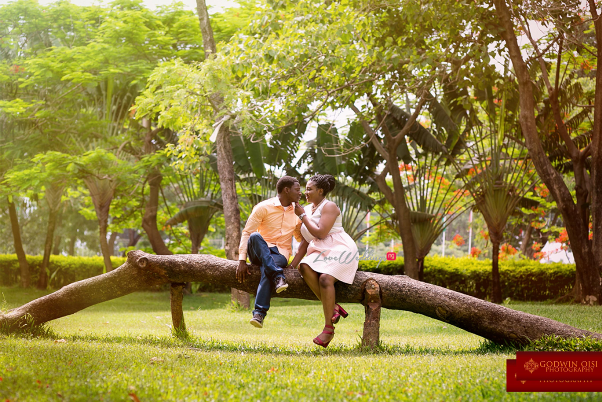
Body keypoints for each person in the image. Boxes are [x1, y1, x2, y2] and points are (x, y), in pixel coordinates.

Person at [288, 174, 359, 347]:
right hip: (319, 249)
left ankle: (328, 329)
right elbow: (305, 242)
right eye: (305, 189)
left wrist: (302, 216)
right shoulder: (306, 209)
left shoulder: (330, 206)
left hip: (340, 248)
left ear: (320, 191)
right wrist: (292, 265)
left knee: (325, 279)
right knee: (304, 267)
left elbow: (320, 233)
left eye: (309, 189)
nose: (305, 192)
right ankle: (334, 307)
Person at [236, 176, 303, 328]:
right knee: (255, 235)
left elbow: (300, 238)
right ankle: (279, 276)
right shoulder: (263, 207)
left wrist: (304, 219)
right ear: (286, 190)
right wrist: (242, 260)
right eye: (297, 190)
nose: (300, 193)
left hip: (280, 254)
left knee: (267, 269)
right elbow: (247, 233)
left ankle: (259, 314)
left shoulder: (297, 212)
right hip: (259, 250)